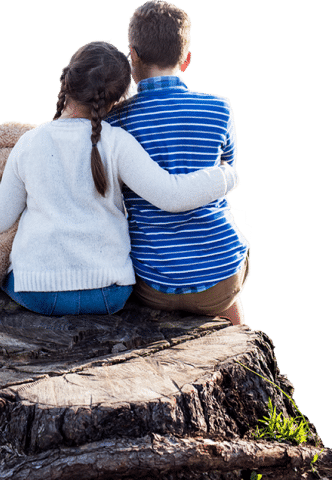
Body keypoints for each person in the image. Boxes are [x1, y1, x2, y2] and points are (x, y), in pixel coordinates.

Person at [0, 40, 240, 317]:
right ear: (116, 99)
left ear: (67, 80)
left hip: (38, 293)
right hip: (109, 293)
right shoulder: (118, 141)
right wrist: (227, 176)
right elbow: (172, 196)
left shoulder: (29, 142)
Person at [106, 1, 250, 325]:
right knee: (230, 270)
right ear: (186, 60)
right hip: (220, 279)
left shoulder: (114, 122)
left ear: (133, 56)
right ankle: (241, 336)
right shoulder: (220, 109)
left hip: (153, 283)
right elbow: (224, 172)